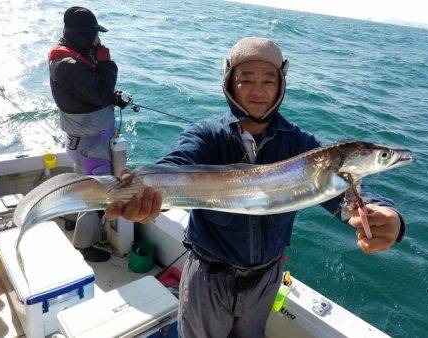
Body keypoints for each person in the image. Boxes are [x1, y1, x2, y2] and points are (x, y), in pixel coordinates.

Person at [106, 37, 405, 337]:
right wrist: (144, 194)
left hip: (265, 282)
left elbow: (346, 193)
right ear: (230, 83)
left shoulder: (302, 146)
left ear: (280, 85)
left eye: (268, 80)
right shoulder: (207, 136)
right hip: (208, 279)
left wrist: (387, 216)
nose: (258, 91)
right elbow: (176, 166)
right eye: (246, 80)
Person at [48, 6, 129, 262]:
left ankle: (71, 218)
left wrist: (111, 97)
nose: (98, 41)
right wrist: (105, 61)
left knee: (83, 182)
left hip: (83, 141)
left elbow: (89, 93)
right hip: (92, 143)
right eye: (94, 35)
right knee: (96, 192)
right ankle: (85, 244)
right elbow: (100, 91)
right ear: (83, 35)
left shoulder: (68, 58)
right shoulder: (69, 65)